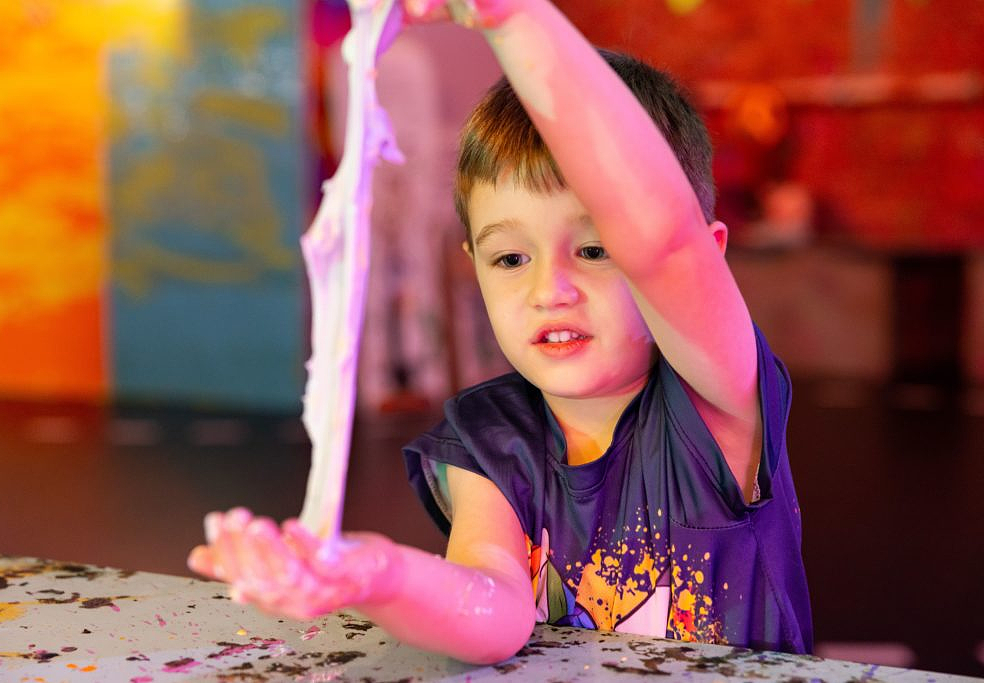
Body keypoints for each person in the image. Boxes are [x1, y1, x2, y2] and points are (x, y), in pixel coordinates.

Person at [188, 0, 813, 664]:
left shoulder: (713, 399)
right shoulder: (488, 438)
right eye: (511, 258)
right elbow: (494, 611)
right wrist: (371, 573)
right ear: (475, 267)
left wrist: (514, 18)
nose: (550, 290)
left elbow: (663, 242)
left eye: (597, 250)